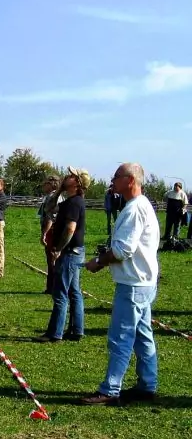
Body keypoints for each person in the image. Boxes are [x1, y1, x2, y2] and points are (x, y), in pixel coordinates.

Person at [81, 163, 160, 405]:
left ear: (130, 180)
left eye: (116, 176)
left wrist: (98, 262)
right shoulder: (142, 205)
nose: (112, 180)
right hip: (144, 283)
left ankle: (110, 389)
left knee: (121, 337)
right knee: (142, 335)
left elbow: (123, 250)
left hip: (133, 285)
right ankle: (148, 385)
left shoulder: (135, 209)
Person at [35, 166, 89, 343]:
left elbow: (70, 228)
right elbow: (49, 208)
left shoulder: (74, 203)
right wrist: (59, 190)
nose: (67, 176)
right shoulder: (71, 201)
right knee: (74, 291)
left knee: (60, 294)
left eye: (72, 176)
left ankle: (55, 333)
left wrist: (58, 248)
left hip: (69, 252)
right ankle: (76, 330)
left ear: (77, 183)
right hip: (73, 252)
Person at [39, 175, 64, 294]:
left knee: (53, 259)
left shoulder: (54, 197)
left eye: (46, 183)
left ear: (53, 184)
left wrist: (44, 233)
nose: (44, 185)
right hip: (52, 230)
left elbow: (51, 217)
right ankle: (51, 286)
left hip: (52, 231)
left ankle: (54, 287)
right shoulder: (51, 197)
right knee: (51, 259)